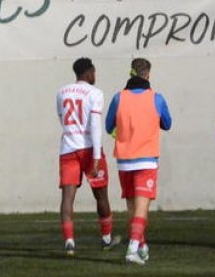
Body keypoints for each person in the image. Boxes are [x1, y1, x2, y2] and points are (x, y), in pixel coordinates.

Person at [105, 58, 171, 265]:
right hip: (146, 160)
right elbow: (167, 123)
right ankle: (132, 249)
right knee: (142, 207)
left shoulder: (119, 98)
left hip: (124, 160)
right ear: (148, 74)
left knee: (132, 206)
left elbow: (108, 126)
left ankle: (141, 246)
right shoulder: (156, 98)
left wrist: (122, 131)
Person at [55, 57, 118, 256]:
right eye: (94, 72)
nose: (95, 76)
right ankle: (106, 238)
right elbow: (95, 125)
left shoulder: (61, 92)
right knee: (101, 194)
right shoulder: (95, 93)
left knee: (67, 196)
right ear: (89, 72)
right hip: (90, 149)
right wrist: (97, 156)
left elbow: (61, 118)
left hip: (68, 148)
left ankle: (69, 242)